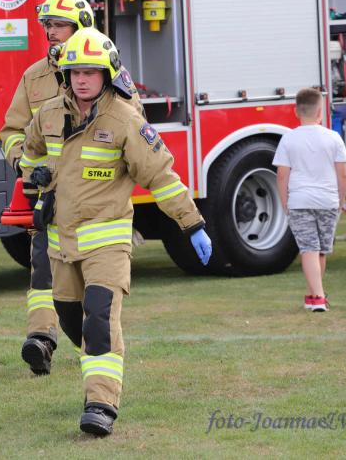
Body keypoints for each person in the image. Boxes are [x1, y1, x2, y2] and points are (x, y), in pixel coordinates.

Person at [21, 27, 211, 436]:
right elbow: (30, 151)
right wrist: (34, 180)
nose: (82, 79)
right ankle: (97, 366)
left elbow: (161, 177)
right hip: (60, 243)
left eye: (90, 72)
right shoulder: (48, 114)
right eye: (75, 72)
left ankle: (101, 405)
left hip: (107, 242)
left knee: (99, 320)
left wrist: (192, 223)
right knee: (72, 321)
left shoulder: (125, 120)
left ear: (106, 74)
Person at [0, 0, 95, 376]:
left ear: (81, 27)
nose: (51, 32)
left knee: (91, 281)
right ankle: (40, 339)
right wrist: (25, 163)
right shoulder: (34, 77)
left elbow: (129, 128)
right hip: (49, 197)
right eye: (48, 25)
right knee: (42, 269)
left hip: (92, 199)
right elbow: (12, 131)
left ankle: (97, 344)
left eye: (59, 25)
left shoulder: (105, 73)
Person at [274, 88, 346, 312]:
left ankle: (316, 296)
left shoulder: (288, 138)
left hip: (300, 200)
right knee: (321, 250)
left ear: (296, 111)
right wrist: (341, 200)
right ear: (320, 112)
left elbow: (282, 175)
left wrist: (284, 201)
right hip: (328, 200)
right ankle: (315, 295)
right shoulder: (333, 138)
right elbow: (343, 174)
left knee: (309, 249)